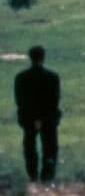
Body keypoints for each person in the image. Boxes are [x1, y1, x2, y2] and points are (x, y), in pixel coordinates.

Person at [15, 45, 60, 184]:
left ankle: (32, 175)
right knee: (50, 147)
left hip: (29, 117)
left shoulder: (21, 78)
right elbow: (54, 99)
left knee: (30, 147)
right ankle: (47, 176)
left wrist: (31, 117)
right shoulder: (52, 77)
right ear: (43, 57)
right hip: (48, 118)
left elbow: (20, 100)